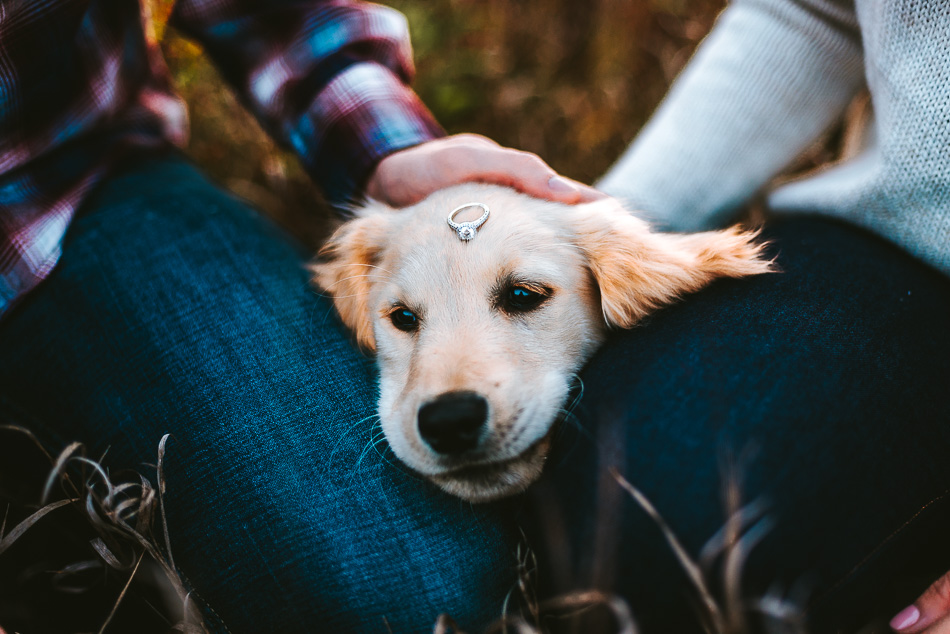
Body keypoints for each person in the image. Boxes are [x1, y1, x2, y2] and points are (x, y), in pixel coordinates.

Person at [0, 1, 599, 632]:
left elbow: (277, 18)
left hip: (66, 186)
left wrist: (387, 152)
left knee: (407, 595)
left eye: (522, 296)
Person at [517, 0, 950, 633]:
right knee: (620, 464)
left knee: (708, 542)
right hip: (892, 249)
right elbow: (811, 13)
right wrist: (592, 248)